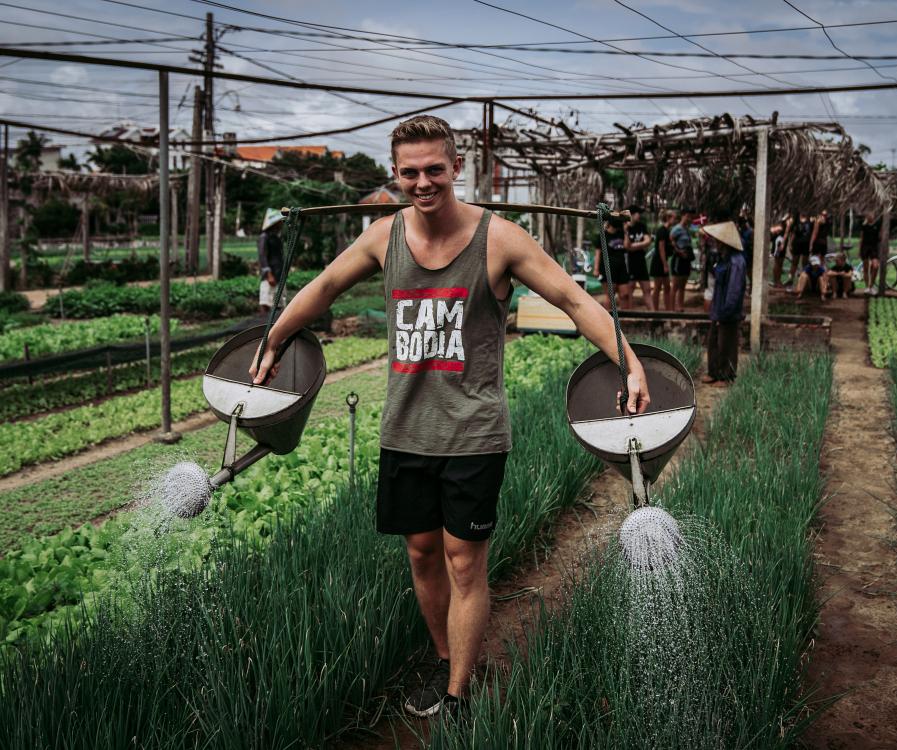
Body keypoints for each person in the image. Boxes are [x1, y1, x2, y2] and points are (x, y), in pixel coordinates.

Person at [248, 115, 650, 720]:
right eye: (409, 172)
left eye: (434, 169)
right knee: (421, 553)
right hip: (405, 430)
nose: (422, 182)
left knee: (465, 560)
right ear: (396, 173)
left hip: (473, 432)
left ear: (456, 167)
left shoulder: (501, 239)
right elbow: (327, 284)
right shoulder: (384, 237)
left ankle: (459, 691)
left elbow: (570, 298)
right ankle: (444, 657)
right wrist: (275, 336)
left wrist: (629, 361)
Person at [700, 221, 746, 386]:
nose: (715, 243)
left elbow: (734, 291)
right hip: (719, 308)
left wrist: (725, 312)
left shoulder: (736, 262)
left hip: (728, 311)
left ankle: (726, 376)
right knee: (713, 342)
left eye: (718, 240)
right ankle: (714, 372)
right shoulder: (724, 259)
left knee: (727, 344)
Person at [593, 216, 630, 310]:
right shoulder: (602, 236)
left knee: (625, 294)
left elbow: (627, 246)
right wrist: (596, 269)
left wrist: (626, 231)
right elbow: (597, 253)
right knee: (610, 294)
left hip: (621, 267)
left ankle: (625, 319)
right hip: (607, 267)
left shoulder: (621, 233)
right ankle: (609, 319)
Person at [623, 205, 653, 310]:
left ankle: (653, 314)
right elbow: (626, 246)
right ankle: (630, 313)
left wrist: (633, 246)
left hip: (641, 262)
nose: (639, 215)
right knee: (630, 289)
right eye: (637, 213)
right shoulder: (625, 227)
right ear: (632, 214)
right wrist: (639, 245)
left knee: (647, 289)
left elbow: (648, 241)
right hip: (629, 262)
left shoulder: (641, 226)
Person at [257, 207, 286, 314]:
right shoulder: (264, 237)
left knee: (278, 302)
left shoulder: (276, 237)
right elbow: (262, 256)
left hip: (279, 273)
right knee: (266, 302)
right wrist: (268, 274)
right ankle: (264, 325)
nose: (281, 224)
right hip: (271, 274)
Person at [669, 209, 695, 310]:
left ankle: (680, 306)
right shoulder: (677, 229)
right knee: (675, 285)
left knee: (683, 285)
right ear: (683, 216)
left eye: (690, 217)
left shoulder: (686, 229)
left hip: (686, 259)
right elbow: (671, 241)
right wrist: (679, 251)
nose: (689, 219)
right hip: (678, 259)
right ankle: (671, 308)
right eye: (687, 216)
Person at [651, 208, 675, 311]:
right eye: (674, 218)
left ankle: (668, 309)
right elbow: (661, 248)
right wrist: (665, 264)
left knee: (667, 287)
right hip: (658, 262)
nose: (675, 220)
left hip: (663, 261)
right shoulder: (661, 231)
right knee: (657, 287)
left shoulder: (667, 231)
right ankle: (655, 310)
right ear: (668, 218)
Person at [787, 211, 812, 290]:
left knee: (805, 263)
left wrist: (811, 245)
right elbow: (793, 234)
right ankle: (790, 280)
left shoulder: (810, 220)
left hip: (806, 244)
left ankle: (804, 283)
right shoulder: (796, 221)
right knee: (794, 262)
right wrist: (790, 244)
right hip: (797, 244)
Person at [859, 212, 880, 294]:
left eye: (871, 215)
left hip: (874, 248)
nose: (869, 216)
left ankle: (871, 285)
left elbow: (880, 237)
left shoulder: (877, 225)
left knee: (875, 266)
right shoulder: (864, 226)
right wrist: (859, 250)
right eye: (868, 215)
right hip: (865, 248)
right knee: (865, 268)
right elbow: (861, 238)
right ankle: (867, 287)